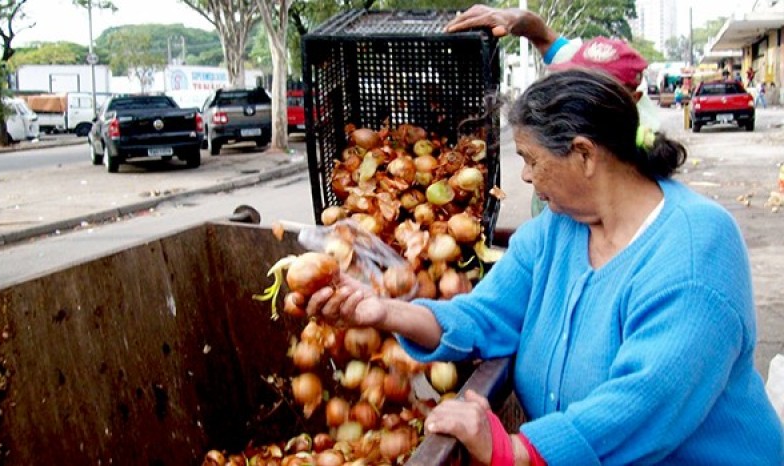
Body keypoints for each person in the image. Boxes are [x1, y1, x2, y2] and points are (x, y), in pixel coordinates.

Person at [306, 69, 784, 465]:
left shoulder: (696, 250)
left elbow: (645, 400)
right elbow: (485, 315)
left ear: (583, 154)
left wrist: (514, 450)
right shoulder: (558, 230)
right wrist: (383, 312)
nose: (526, 176)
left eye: (530, 159)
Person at [444, 5, 659, 218]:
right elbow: (544, 36)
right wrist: (515, 17)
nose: (572, 94)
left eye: (588, 91)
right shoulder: (572, 83)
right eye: (569, 82)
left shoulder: (641, 146)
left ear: (632, 98)